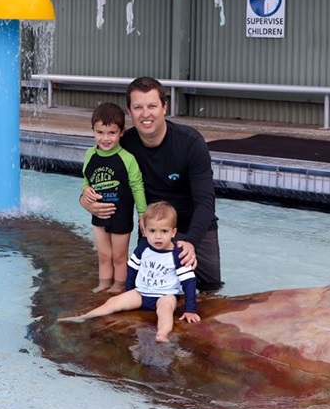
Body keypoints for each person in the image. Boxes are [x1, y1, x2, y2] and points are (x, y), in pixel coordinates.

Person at [80, 76, 223, 292]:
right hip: (152, 228)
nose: (145, 114)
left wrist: (191, 241)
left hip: (192, 226)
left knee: (210, 288)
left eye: (152, 106)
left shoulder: (190, 143)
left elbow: (205, 201)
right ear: (129, 111)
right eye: (138, 107)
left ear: (164, 107)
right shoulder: (122, 145)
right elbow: (94, 176)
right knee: (145, 289)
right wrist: (85, 200)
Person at [59, 201, 200, 342]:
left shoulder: (177, 254)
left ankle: (162, 334)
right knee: (113, 302)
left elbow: (189, 281)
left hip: (165, 295)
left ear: (173, 232)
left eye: (164, 231)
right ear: (144, 231)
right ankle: (84, 317)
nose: (158, 236)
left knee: (165, 310)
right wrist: (129, 291)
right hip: (141, 293)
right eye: (152, 231)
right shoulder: (143, 247)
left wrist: (190, 309)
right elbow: (132, 269)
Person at [81, 102, 146, 294]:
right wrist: (86, 190)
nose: (105, 138)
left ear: (121, 132)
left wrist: (143, 213)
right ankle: (104, 283)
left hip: (121, 215)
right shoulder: (90, 154)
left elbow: (137, 187)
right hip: (99, 215)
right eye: (100, 132)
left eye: (111, 133)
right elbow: (86, 179)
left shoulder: (127, 158)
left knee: (119, 256)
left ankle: (119, 285)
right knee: (103, 255)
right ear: (92, 130)